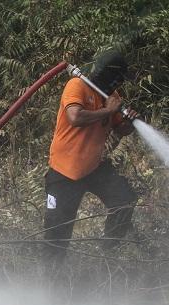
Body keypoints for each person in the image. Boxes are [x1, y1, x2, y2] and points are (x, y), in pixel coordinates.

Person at [43, 50, 139, 265]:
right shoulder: (77, 86)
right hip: (64, 172)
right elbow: (75, 117)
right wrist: (107, 111)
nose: (120, 83)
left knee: (124, 199)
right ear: (109, 75)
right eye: (119, 78)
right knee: (56, 236)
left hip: (93, 168)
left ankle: (107, 253)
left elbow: (119, 129)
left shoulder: (111, 97)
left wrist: (129, 122)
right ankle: (50, 285)